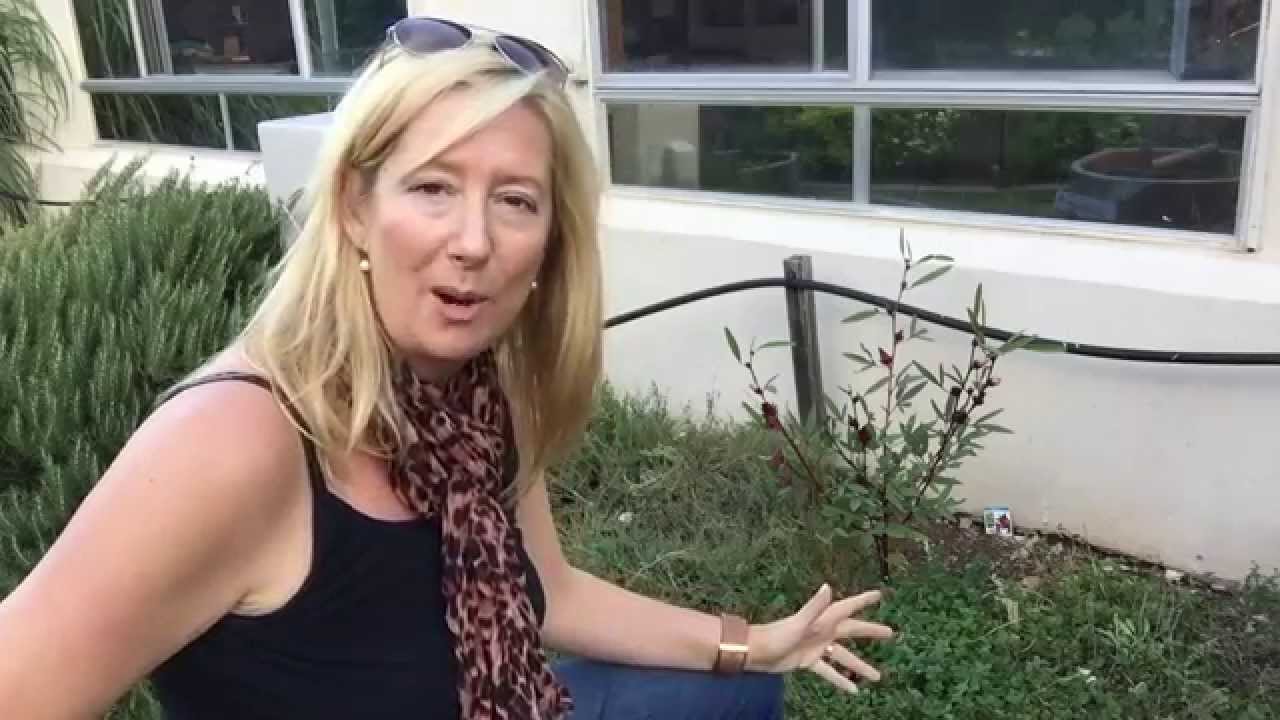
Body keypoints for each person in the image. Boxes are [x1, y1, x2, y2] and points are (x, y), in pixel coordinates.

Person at [0, 16, 893, 720]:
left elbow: (549, 595)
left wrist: (753, 643)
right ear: (355, 208)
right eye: (432, 187)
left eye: (515, 200)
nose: (473, 241)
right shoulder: (235, 439)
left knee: (741, 694)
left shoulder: (480, 397)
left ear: (549, 245)